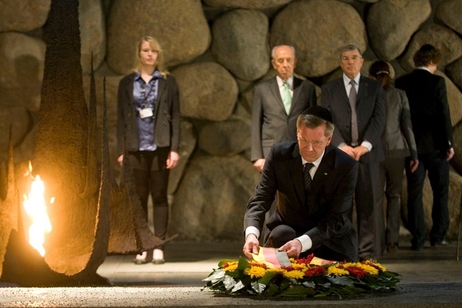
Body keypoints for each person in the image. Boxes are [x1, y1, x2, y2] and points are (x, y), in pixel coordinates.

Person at [243, 106, 359, 262]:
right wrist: (251, 234)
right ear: (297, 134)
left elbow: (336, 218)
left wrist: (302, 242)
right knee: (281, 236)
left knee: (341, 278)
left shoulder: (345, 165)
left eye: (316, 142)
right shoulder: (279, 156)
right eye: (303, 140)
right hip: (287, 233)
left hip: (329, 237)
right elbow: (260, 199)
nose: (309, 149)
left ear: (329, 139)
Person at [116, 36, 180, 264]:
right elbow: (121, 117)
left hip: (160, 147)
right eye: (145, 50)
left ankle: (159, 245)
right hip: (135, 147)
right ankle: (142, 245)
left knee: (160, 196)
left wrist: (174, 149)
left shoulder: (167, 81)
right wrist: (121, 149)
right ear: (139, 53)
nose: (150, 54)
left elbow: (175, 117)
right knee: (139, 198)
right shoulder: (127, 82)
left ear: (158, 54)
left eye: (153, 50)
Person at [321, 44, 385, 260]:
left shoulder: (374, 88)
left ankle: (367, 253)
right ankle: (344, 252)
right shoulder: (330, 89)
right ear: (340, 62)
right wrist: (342, 146)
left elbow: (379, 120)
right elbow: (326, 119)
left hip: (368, 156)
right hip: (340, 157)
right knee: (342, 207)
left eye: (354, 58)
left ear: (361, 61)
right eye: (346, 58)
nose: (350, 62)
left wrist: (364, 146)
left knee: (369, 206)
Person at [395, 44, 454, 251]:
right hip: (437, 147)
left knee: (414, 194)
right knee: (441, 193)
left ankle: (417, 238)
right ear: (433, 62)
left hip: (413, 150)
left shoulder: (402, 82)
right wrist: (449, 144)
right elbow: (444, 114)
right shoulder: (438, 82)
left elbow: (400, 117)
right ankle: (438, 236)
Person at [369, 60, 419, 254]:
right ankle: (393, 241)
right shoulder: (400, 95)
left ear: (371, 77)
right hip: (398, 152)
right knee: (394, 196)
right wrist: (414, 153)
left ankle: (378, 241)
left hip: (374, 153)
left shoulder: (368, 96)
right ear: (390, 75)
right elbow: (407, 126)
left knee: (376, 198)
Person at [251, 45, 317, 172]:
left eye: (289, 60)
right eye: (280, 61)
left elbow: (313, 124)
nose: (285, 64)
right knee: (275, 191)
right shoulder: (262, 89)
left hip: (301, 152)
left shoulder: (307, 88)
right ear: (274, 64)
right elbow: (256, 123)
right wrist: (257, 157)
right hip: (271, 152)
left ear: (295, 62)